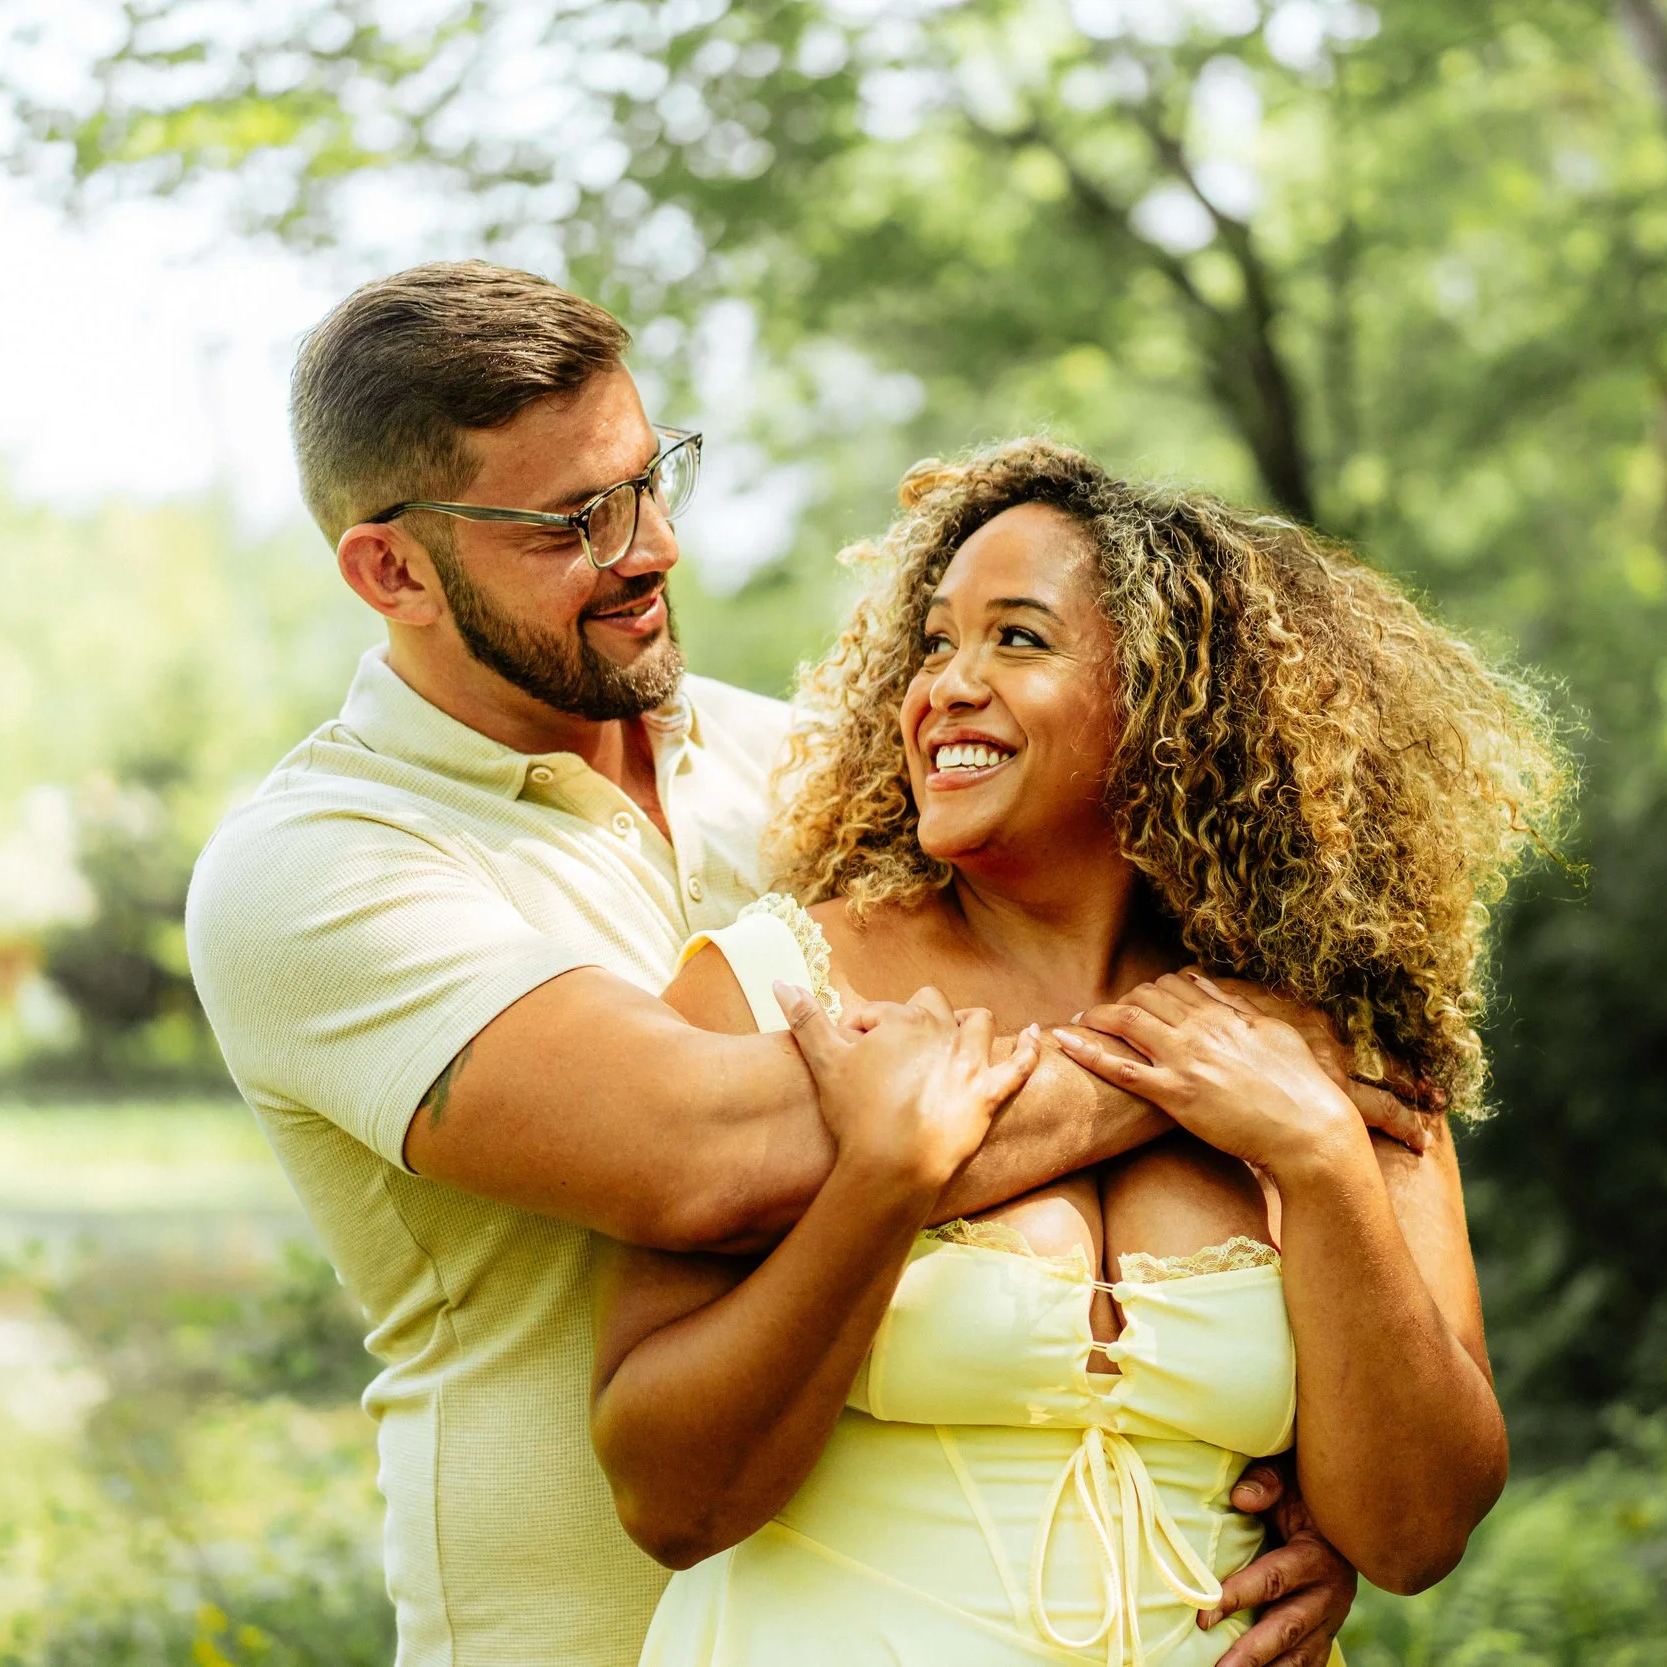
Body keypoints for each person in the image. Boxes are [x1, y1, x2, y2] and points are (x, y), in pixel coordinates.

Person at [186, 263, 1423, 1666]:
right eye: (571, 523)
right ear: (389, 568)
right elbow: (712, 1155)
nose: (648, 545)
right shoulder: (319, 865)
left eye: (652, 481)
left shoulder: (820, 774)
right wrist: (1239, 1059)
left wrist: (1268, 1476)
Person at [591, 442, 1566, 1664]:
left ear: (1168, 706)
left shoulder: (1328, 1045)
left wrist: (1316, 1155)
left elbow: (1415, 1530)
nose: (944, 685)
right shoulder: (777, 988)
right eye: (935, 643)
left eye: (1018, 639)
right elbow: (669, 1503)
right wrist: (884, 1182)